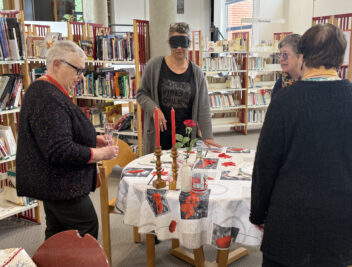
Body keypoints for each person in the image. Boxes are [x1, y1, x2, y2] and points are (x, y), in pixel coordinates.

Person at [250, 24, 352, 267]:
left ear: (302, 57)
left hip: (290, 221)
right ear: (341, 59)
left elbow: (265, 164)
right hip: (344, 221)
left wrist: (258, 212)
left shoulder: (284, 101)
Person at [16, 40, 119, 240]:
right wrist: (101, 154)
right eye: (77, 70)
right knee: (85, 229)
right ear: (56, 64)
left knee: (58, 234)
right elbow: (59, 149)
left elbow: (57, 132)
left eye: (83, 71)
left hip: (55, 184)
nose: (80, 77)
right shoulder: (47, 97)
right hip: (61, 186)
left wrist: (92, 138)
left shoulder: (47, 91)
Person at [137, 22, 221, 155]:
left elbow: (203, 108)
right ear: (169, 43)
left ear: (189, 44)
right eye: (175, 42)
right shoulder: (154, 66)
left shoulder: (197, 74)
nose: (179, 48)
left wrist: (207, 136)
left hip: (186, 139)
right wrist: (154, 109)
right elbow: (141, 94)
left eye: (184, 42)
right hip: (159, 138)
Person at [271, 34, 302, 99]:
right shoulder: (281, 82)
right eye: (280, 54)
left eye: (285, 54)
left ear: (299, 56)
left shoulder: (310, 80)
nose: (281, 59)